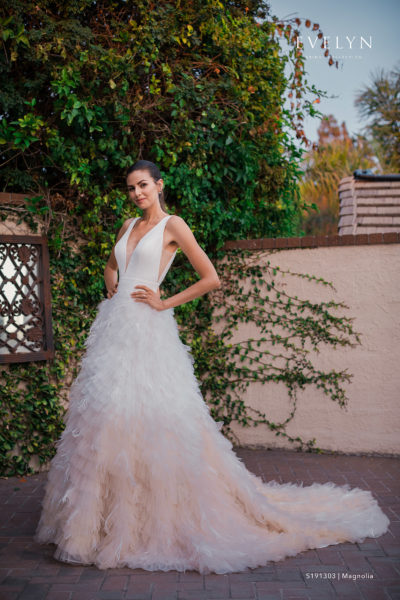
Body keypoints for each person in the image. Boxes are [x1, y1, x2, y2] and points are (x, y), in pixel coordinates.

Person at [34, 159, 390, 574]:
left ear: (159, 185)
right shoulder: (127, 226)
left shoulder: (173, 225)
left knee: (156, 414)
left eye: (143, 185)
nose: (137, 193)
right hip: (114, 330)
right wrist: (113, 286)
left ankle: (158, 516)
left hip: (148, 329)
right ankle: (99, 522)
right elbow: (112, 265)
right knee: (107, 416)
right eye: (131, 188)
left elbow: (210, 277)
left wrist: (163, 302)